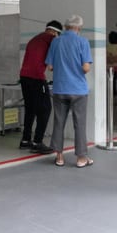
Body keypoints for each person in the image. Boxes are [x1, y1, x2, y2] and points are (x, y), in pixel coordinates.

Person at [46, 15, 94, 168]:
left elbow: (50, 67)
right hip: (78, 90)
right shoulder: (82, 41)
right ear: (79, 28)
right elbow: (86, 67)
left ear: (65, 27)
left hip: (60, 88)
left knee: (59, 122)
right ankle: (81, 158)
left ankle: (59, 157)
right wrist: (76, 69)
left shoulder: (55, 41)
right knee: (79, 123)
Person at [18, 20, 63, 154]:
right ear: (55, 32)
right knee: (45, 109)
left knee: (30, 108)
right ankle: (37, 142)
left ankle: (25, 140)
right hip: (36, 78)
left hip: (24, 77)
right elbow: (52, 64)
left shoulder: (35, 39)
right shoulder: (52, 39)